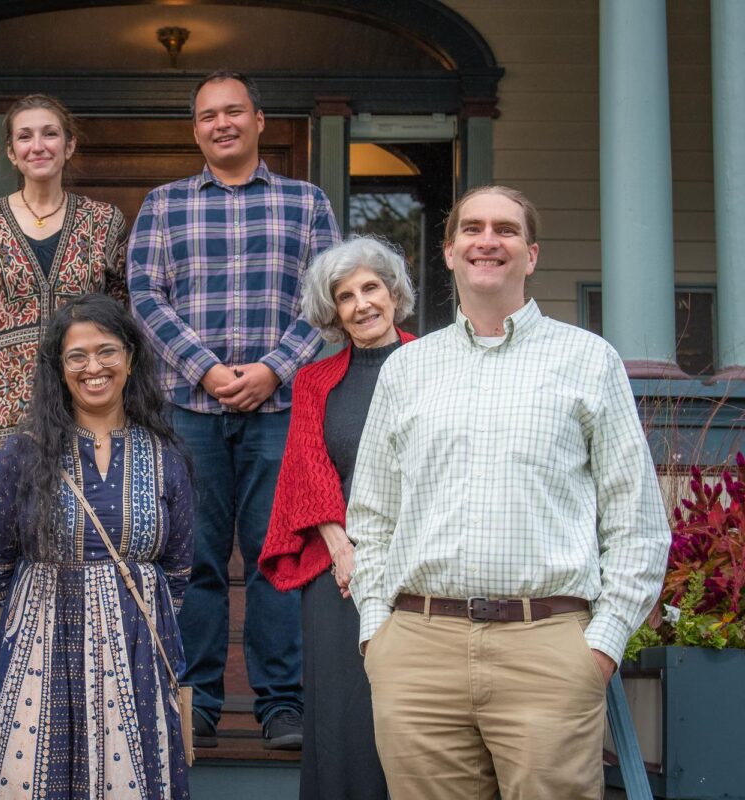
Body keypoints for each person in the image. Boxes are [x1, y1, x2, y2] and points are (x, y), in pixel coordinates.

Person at [347, 185, 671, 799]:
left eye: (506, 229)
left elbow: (637, 525)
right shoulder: (407, 370)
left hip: (547, 649)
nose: (487, 240)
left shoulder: (588, 361)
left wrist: (597, 649)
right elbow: (371, 516)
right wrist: (377, 635)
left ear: (532, 253)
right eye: (471, 228)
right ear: (448, 252)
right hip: (418, 651)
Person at [129, 70, 340, 749]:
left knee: (278, 556)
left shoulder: (306, 203)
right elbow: (146, 298)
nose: (221, 124)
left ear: (259, 120)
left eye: (233, 112)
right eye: (207, 116)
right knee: (195, 562)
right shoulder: (164, 205)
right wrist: (211, 371)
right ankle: (201, 706)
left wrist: (274, 368)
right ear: (196, 130)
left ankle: (282, 706)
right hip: (190, 408)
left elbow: (330, 296)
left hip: (281, 409)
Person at [0, 293, 193, 799]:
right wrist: (27, 630)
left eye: (107, 351)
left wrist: (128, 622)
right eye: (77, 356)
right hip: (38, 649)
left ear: (130, 358)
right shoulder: (24, 450)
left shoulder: (165, 454)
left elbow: (179, 568)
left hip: (137, 652)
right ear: (59, 368)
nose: (93, 367)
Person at [259, 236, 416, 799]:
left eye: (370, 287)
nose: (361, 304)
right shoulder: (314, 381)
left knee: (413, 713)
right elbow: (306, 472)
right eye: (344, 296)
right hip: (339, 570)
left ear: (394, 292)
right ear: (333, 311)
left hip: (422, 563)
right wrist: (343, 549)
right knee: (344, 712)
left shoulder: (437, 362)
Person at [0, 93, 128, 514]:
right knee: (2, 533)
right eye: (25, 136)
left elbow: (120, 317)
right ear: (12, 152)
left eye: (50, 134)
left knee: (81, 526)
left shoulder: (104, 221)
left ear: (68, 146)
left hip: (85, 399)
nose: (39, 145)